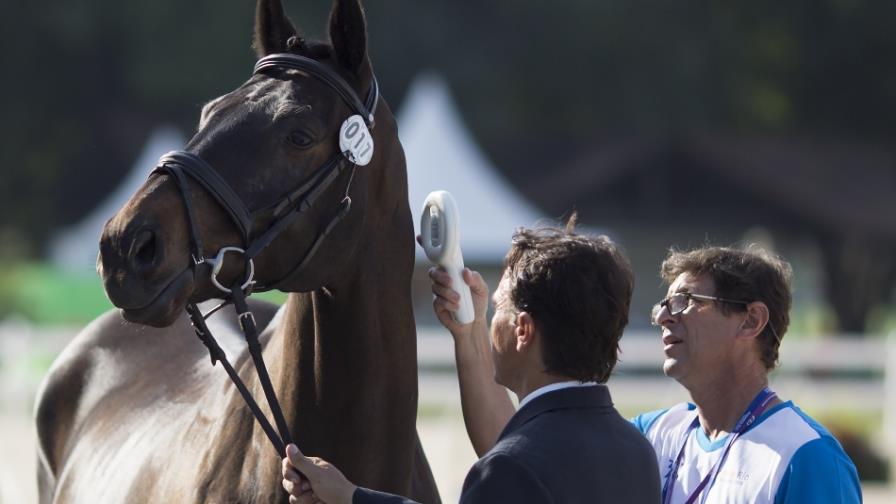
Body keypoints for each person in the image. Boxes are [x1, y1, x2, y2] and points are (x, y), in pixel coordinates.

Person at [281, 220, 661, 503]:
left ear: (523, 330)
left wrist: (350, 499)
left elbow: (516, 459)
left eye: (498, 308)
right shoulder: (636, 450)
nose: (490, 319)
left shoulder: (512, 467)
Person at [632, 246, 862, 503]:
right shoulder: (650, 434)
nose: (663, 317)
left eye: (685, 300)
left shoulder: (807, 456)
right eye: (663, 305)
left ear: (751, 320)